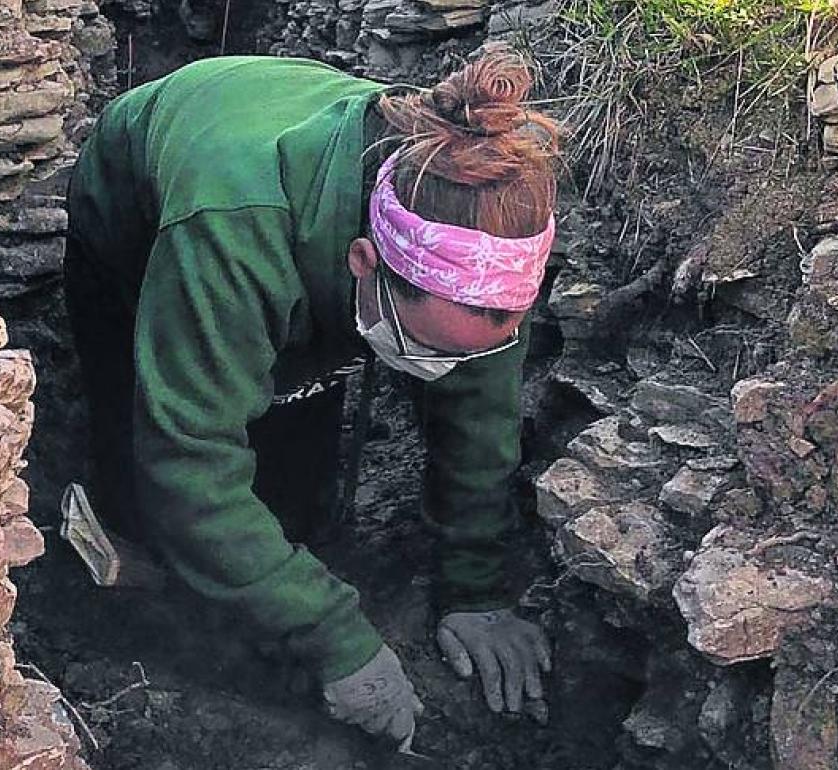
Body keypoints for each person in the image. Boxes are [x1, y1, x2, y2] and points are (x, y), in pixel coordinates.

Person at [63, 48, 559, 745]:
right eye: (432, 348)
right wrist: (336, 640)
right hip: (148, 198)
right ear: (363, 262)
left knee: (298, 492)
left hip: (299, 219)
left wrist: (475, 589)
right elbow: (188, 459)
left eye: (466, 352)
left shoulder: (486, 245)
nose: (447, 368)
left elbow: (479, 417)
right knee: (147, 473)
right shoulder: (232, 232)